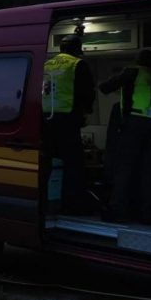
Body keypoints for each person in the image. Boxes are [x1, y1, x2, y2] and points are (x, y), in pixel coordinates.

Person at [98, 49, 151, 223]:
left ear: (139, 60)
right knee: (149, 172)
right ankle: (148, 214)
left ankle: (118, 211)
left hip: (134, 123)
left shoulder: (133, 71)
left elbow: (105, 88)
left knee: (124, 168)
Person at [42, 34, 96, 214]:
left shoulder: (46, 64)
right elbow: (87, 92)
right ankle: (71, 205)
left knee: (47, 163)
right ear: (76, 49)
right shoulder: (77, 64)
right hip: (68, 121)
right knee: (73, 164)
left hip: (46, 121)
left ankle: (45, 201)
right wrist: (86, 112)